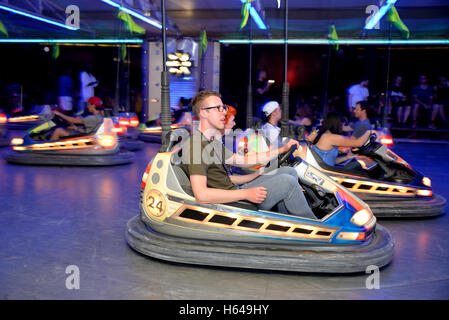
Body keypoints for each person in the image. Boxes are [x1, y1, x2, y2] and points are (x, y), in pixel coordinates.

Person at [180, 90, 316, 219]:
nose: (223, 113)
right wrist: (246, 194)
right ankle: (318, 228)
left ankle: (288, 222)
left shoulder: (210, 142)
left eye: (224, 108)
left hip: (236, 191)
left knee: (288, 171)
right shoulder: (196, 146)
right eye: (218, 108)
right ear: (203, 113)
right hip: (232, 201)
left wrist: (281, 150)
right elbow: (201, 194)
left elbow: (243, 161)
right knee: (288, 182)